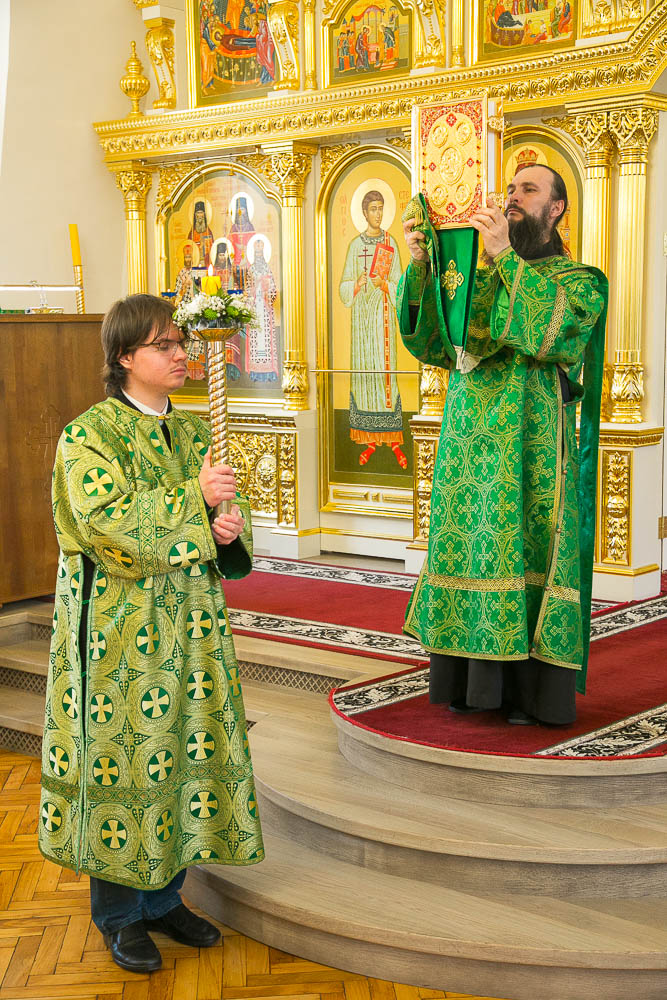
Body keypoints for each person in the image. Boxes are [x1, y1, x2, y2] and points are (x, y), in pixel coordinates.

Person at [38, 294, 264, 973]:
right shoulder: (89, 435)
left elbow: (225, 516)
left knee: (181, 756)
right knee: (125, 762)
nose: (179, 354)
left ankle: (165, 899)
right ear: (124, 356)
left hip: (190, 626)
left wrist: (228, 529)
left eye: (180, 342)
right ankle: (119, 916)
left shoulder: (195, 432)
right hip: (118, 632)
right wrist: (195, 502)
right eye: (163, 345)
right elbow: (105, 525)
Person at [397, 164, 608, 725]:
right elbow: (435, 342)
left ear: (556, 209)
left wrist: (505, 258)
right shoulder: (478, 270)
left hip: (529, 443)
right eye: (510, 188)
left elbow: (558, 334)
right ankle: (469, 686)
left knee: (527, 547)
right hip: (467, 441)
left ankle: (528, 695)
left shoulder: (580, 280)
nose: (513, 198)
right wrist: (424, 267)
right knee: (471, 546)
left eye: (528, 190)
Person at [339, 189, 406, 469]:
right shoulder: (355, 246)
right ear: (364, 213)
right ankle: (368, 440)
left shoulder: (391, 243)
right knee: (365, 374)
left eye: (381, 208)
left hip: (382, 317)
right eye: (373, 209)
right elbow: (343, 287)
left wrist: (384, 284)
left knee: (384, 373)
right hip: (361, 321)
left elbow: (401, 286)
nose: (377, 214)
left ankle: (392, 440)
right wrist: (357, 283)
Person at [246, 237, 279, 382]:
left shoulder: (267, 268)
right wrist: (254, 290)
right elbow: (247, 289)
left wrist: (268, 291)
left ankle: (269, 373)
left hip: (265, 310)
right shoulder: (251, 269)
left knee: (265, 341)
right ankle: (255, 373)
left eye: (261, 252)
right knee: (255, 339)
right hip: (255, 308)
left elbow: (273, 288)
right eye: (257, 252)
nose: (259, 255)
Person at [188, 200, 215, 269]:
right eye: (198, 213)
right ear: (195, 215)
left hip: (206, 262)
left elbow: (212, 248)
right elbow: (188, 249)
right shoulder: (192, 233)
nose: (200, 215)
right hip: (195, 263)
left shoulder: (208, 232)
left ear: (204, 214)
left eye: (201, 213)